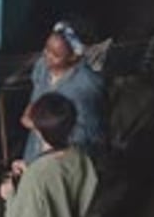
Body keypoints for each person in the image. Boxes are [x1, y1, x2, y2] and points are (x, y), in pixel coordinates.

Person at [22, 21, 106, 164]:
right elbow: (35, 100)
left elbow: (91, 137)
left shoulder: (87, 86)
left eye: (55, 55)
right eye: (46, 49)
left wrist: (43, 127)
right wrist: (28, 113)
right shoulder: (42, 67)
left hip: (64, 162)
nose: (47, 56)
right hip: (35, 153)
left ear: (74, 57)